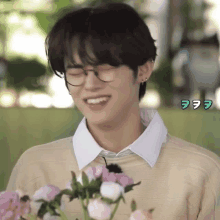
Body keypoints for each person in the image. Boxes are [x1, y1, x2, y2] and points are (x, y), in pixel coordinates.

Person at [6, 2, 220, 220]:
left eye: (105, 69)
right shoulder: (35, 168)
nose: (90, 85)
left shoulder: (202, 173)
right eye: (77, 72)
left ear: (143, 70)